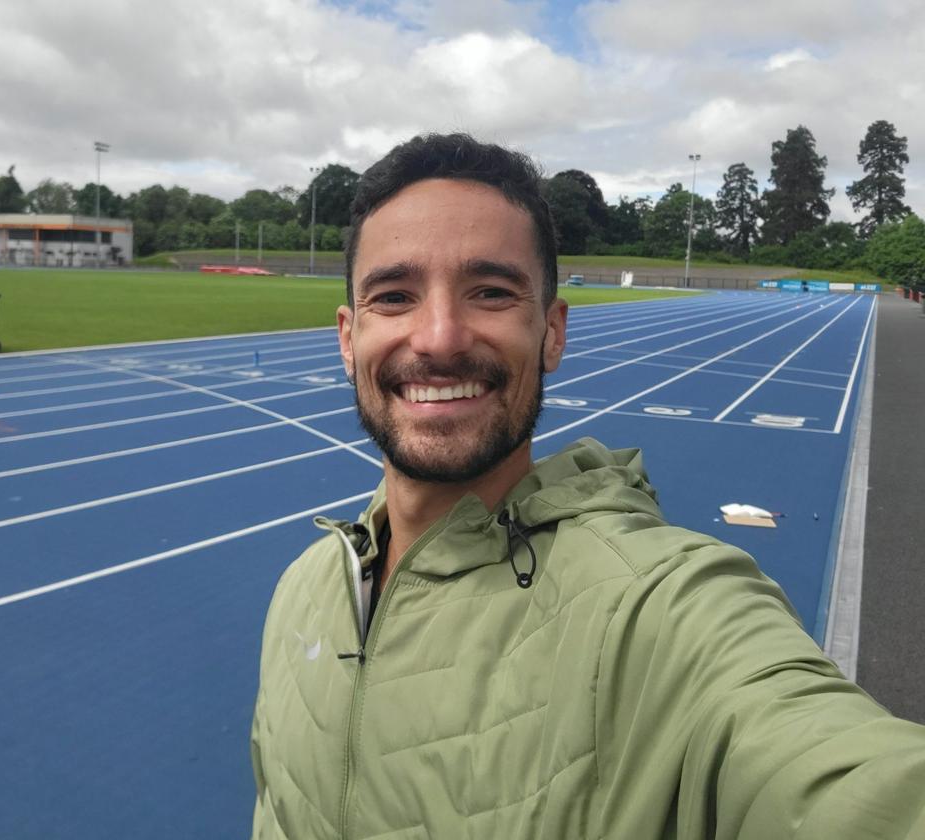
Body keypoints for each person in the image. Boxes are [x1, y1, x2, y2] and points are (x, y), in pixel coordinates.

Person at [249, 133, 925, 839]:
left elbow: (846, 779)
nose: (441, 337)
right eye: (394, 296)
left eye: (490, 292)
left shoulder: (654, 612)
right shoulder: (304, 592)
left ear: (552, 332)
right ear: (347, 337)